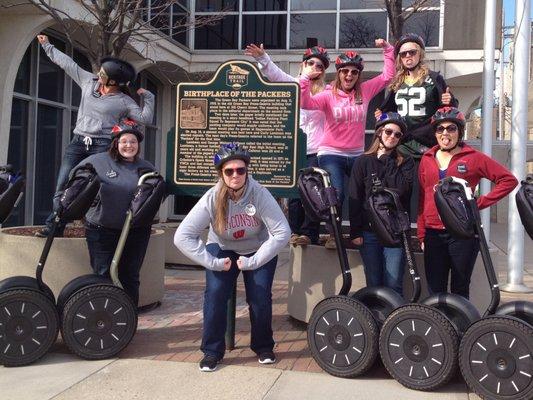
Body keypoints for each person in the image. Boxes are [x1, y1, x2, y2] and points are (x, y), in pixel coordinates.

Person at [174, 143, 290, 372]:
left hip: (256, 248)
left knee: (259, 297)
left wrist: (254, 261)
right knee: (216, 294)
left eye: (240, 170)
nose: (235, 175)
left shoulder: (258, 193)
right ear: (222, 174)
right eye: (229, 171)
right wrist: (213, 262)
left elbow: (283, 232)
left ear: (247, 171)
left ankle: (263, 345)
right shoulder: (212, 197)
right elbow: (182, 236)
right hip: (222, 247)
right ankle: (211, 351)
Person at [36, 34, 155, 237]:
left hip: (102, 145)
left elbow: (145, 119)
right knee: (63, 184)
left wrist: (149, 97)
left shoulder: (124, 101)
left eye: (102, 73)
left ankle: (101, 225)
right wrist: (47, 46)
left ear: (113, 81)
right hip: (78, 142)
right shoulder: (88, 82)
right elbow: (68, 64)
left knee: (99, 188)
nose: (98, 74)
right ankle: (55, 227)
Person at [300, 38, 395, 248]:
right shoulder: (327, 95)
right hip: (331, 152)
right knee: (336, 192)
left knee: (359, 194)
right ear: (339, 72)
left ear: (359, 74)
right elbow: (304, 102)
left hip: (357, 153)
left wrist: (387, 50)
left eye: (354, 72)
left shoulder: (366, 91)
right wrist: (306, 77)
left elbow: (388, 76)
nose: (349, 75)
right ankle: (334, 235)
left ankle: (356, 234)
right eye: (345, 71)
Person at [417, 107, 518, 299]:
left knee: (460, 287)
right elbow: (423, 197)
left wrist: (476, 203)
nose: (445, 133)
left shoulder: (473, 157)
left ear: (459, 131)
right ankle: (440, 328)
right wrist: (422, 234)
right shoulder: (426, 158)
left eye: (451, 128)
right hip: (433, 233)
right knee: (434, 288)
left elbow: (508, 180)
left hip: (462, 233)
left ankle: (460, 328)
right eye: (440, 129)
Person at [245, 43, 329, 246]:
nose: (315, 67)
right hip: (295, 149)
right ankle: (294, 231)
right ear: (304, 64)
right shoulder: (294, 84)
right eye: (311, 63)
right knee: (294, 194)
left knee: (313, 193)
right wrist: (263, 58)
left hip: (317, 149)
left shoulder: (327, 91)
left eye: (320, 66)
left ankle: (310, 233)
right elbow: (274, 75)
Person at [77, 120, 157, 307]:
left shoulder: (146, 168)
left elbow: (155, 197)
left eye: (133, 142)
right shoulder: (97, 162)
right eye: (124, 141)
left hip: (135, 231)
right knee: (102, 274)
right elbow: (75, 186)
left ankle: (128, 319)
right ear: (115, 143)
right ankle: (102, 318)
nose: (128, 145)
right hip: (101, 229)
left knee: (130, 275)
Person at [376, 33, 457, 219]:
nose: (407, 57)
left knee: (428, 194)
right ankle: (399, 237)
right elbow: (388, 110)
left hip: (427, 146)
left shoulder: (434, 78)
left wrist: (450, 101)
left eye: (412, 52)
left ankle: (426, 237)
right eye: (403, 54)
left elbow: (448, 111)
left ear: (420, 54)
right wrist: (381, 114)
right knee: (399, 192)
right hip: (401, 146)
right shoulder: (396, 82)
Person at [348, 112, 414, 295]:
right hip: (369, 233)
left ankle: (393, 323)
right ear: (379, 133)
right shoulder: (363, 161)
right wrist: (355, 231)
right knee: (374, 283)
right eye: (388, 132)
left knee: (393, 284)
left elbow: (402, 191)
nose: (392, 136)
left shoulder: (405, 162)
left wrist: (387, 160)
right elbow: (355, 196)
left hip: (395, 233)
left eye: (397, 134)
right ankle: (375, 321)